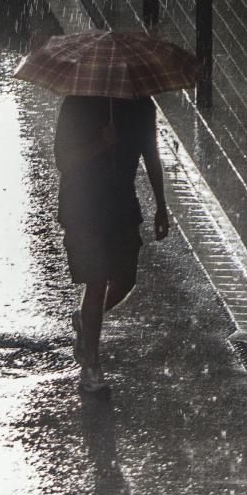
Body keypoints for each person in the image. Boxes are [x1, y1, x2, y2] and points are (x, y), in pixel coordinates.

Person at [55, 94, 170, 393]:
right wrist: (100, 145)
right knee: (96, 281)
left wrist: (161, 205)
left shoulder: (141, 105)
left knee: (125, 279)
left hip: (122, 205)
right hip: (83, 207)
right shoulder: (77, 102)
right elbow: (63, 160)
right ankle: (91, 365)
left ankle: (86, 321)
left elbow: (151, 155)